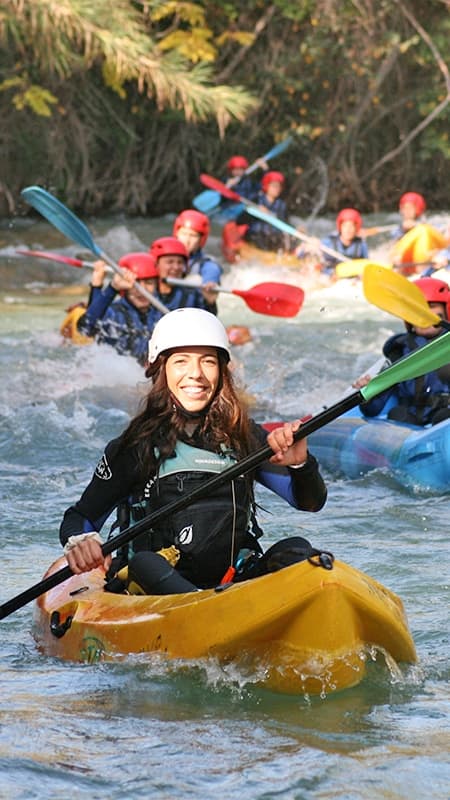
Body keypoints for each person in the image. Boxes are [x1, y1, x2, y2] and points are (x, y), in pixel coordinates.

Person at [60, 308, 328, 594]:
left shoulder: (244, 437)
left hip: (231, 583)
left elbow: (310, 503)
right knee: (145, 563)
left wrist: (302, 465)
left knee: (298, 550)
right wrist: (81, 540)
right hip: (154, 589)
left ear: (222, 371)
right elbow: (80, 516)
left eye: (208, 362)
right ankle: (201, 610)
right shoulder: (135, 447)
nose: (196, 374)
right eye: (181, 362)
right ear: (160, 368)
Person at [355, 277, 450, 426]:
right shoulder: (399, 351)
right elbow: (372, 410)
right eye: (417, 309)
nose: (424, 313)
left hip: (445, 421)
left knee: (445, 417)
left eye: (431, 306)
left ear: (446, 310)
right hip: (412, 428)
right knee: (397, 414)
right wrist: (369, 395)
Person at [77, 251, 160, 366]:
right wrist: (111, 287)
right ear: (123, 286)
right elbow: (86, 328)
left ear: (157, 285)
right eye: (135, 284)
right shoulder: (114, 312)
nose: (142, 290)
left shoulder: (161, 314)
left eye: (149, 283)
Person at [151, 235, 219, 316]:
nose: (176, 267)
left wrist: (209, 303)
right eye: (170, 262)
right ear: (156, 264)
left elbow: (207, 322)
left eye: (180, 262)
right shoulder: (143, 292)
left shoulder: (192, 295)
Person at [239, 171, 288, 251]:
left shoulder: (282, 205)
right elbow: (240, 220)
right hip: (255, 237)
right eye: (274, 186)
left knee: (277, 239)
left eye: (279, 187)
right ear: (266, 185)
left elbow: (285, 223)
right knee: (258, 237)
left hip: (273, 239)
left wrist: (297, 229)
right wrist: (256, 211)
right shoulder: (256, 200)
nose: (277, 189)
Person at [173, 209, 222, 287]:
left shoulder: (208, 265)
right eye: (184, 234)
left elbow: (211, 273)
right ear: (177, 234)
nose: (187, 240)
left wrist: (210, 284)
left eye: (193, 236)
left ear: (201, 239)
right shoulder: (163, 257)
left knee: (195, 279)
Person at [319, 208, 368, 275]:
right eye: (345, 226)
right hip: (330, 275)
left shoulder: (361, 245)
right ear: (340, 227)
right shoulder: (329, 242)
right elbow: (317, 256)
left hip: (351, 277)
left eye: (351, 226)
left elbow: (366, 265)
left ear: (356, 228)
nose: (348, 230)